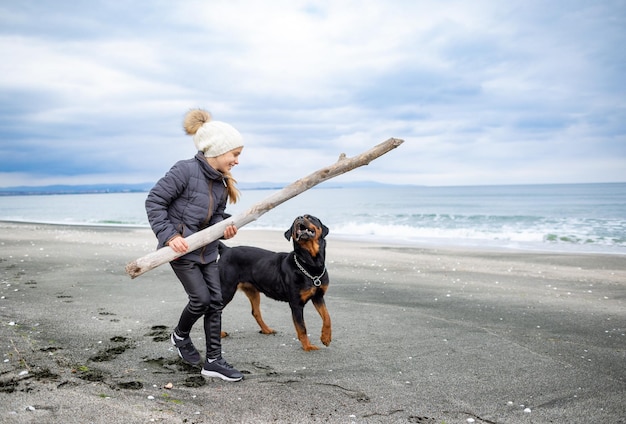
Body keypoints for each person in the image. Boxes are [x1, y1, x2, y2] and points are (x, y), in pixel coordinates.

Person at [145, 109, 244, 382]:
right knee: (200, 299)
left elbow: (213, 219)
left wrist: (225, 228)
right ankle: (179, 336)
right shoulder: (184, 170)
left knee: (216, 302)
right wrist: (169, 236)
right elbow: (155, 202)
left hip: (208, 251)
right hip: (180, 250)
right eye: (234, 154)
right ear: (217, 150)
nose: (237, 161)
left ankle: (213, 361)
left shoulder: (222, 184)